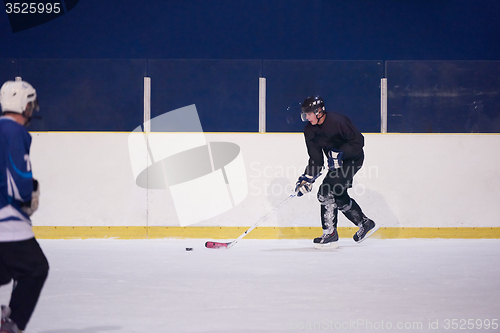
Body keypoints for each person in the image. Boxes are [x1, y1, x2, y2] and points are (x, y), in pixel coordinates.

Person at [294, 95, 378, 249]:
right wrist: (307, 178)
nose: (306, 117)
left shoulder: (338, 121)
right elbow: (316, 160)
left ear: (319, 112)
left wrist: (340, 153)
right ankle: (365, 223)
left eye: (309, 113)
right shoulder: (309, 130)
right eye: (305, 114)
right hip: (336, 163)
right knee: (337, 195)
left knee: (325, 192)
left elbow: (359, 141)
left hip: (352, 160)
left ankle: (330, 233)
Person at [0, 78, 48, 333]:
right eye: (30, 104)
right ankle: (12, 324)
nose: (31, 110)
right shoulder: (16, 132)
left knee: (5, 273)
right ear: (22, 105)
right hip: (7, 220)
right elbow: (19, 177)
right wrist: (28, 195)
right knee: (36, 269)